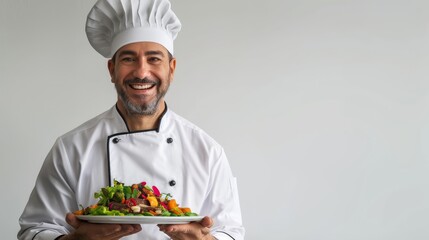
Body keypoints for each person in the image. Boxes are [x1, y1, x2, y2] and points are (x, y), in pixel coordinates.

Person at [17, 0, 245, 239]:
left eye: (154, 58)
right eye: (128, 59)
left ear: (172, 69)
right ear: (111, 70)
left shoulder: (207, 151)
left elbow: (232, 232)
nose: (142, 72)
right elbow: (33, 231)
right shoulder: (71, 148)